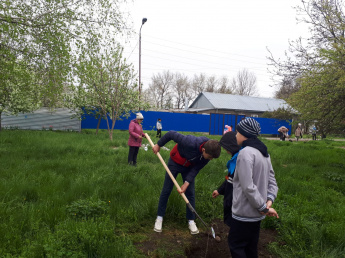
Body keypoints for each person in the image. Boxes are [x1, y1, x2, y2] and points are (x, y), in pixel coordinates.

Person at [152, 130, 221, 234]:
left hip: (189, 167)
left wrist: (186, 182)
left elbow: (196, 169)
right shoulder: (189, 142)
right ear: (203, 150)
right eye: (210, 157)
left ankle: (191, 220)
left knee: (190, 193)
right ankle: (159, 217)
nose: (210, 159)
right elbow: (171, 134)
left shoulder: (208, 155)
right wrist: (158, 144)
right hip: (175, 162)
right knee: (167, 189)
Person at [229, 118, 279, 258]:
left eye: (237, 132)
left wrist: (263, 207)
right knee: (251, 249)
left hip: (244, 214)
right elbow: (273, 182)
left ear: (244, 134)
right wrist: (268, 202)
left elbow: (248, 187)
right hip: (257, 215)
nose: (235, 135)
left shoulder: (245, 153)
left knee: (236, 246)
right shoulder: (264, 153)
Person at [212, 131, 241, 227]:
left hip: (236, 202)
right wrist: (219, 190)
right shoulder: (234, 159)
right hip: (229, 198)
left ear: (232, 145)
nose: (224, 149)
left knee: (235, 224)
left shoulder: (241, 160)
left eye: (225, 146)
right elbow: (229, 179)